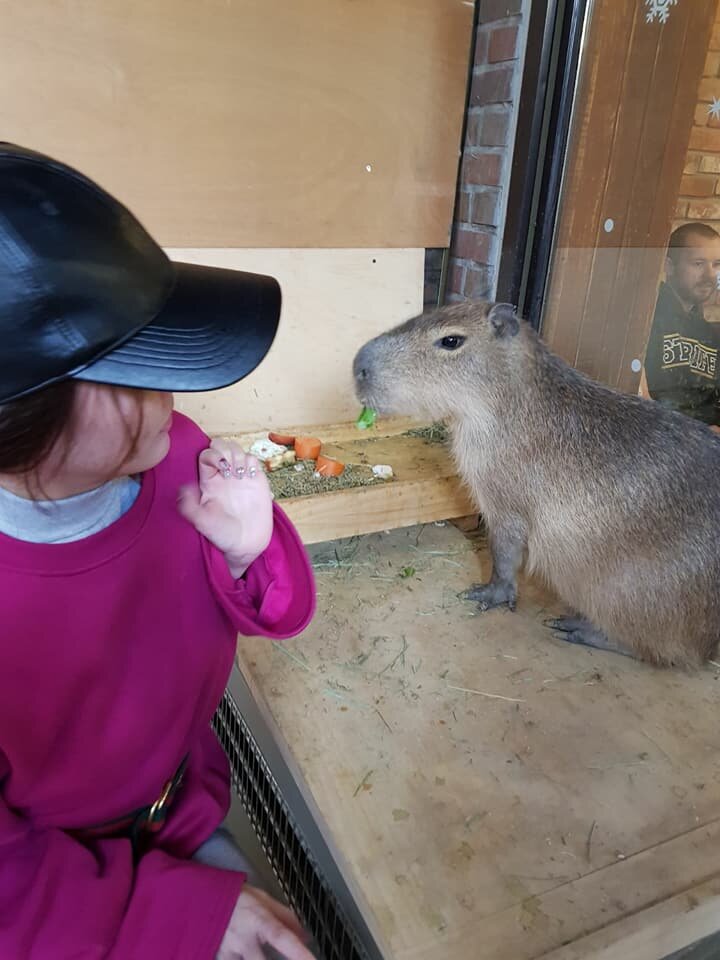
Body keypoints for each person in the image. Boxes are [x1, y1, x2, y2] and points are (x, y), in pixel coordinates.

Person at [0, 143, 317, 959]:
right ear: (18, 422)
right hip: (61, 888)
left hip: (184, 807)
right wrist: (183, 915)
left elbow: (279, 612)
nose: (171, 397)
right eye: (134, 373)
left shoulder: (179, 457)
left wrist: (254, 553)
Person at [643, 222, 720, 425]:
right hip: (662, 440)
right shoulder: (647, 318)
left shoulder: (708, 333)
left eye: (717, 264)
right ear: (669, 266)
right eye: (698, 263)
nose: (710, 275)